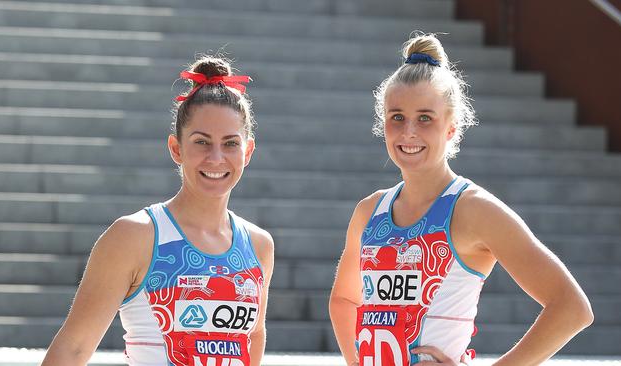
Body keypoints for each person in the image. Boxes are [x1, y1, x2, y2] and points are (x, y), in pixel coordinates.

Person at [328, 33, 593, 366]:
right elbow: (343, 299)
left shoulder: (474, 209)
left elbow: (572, 308)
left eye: (425, 118)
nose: (409, 131)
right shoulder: (369, 211)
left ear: (451, 128)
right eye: (397, 117)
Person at [42, 55, 274, 366]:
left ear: (248, 151)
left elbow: (253, 337)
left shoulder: (259, 245)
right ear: (176, 149)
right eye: (202, 142)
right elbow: (73, 350)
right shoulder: (135, 236)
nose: (217, 158)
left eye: (230, 143)